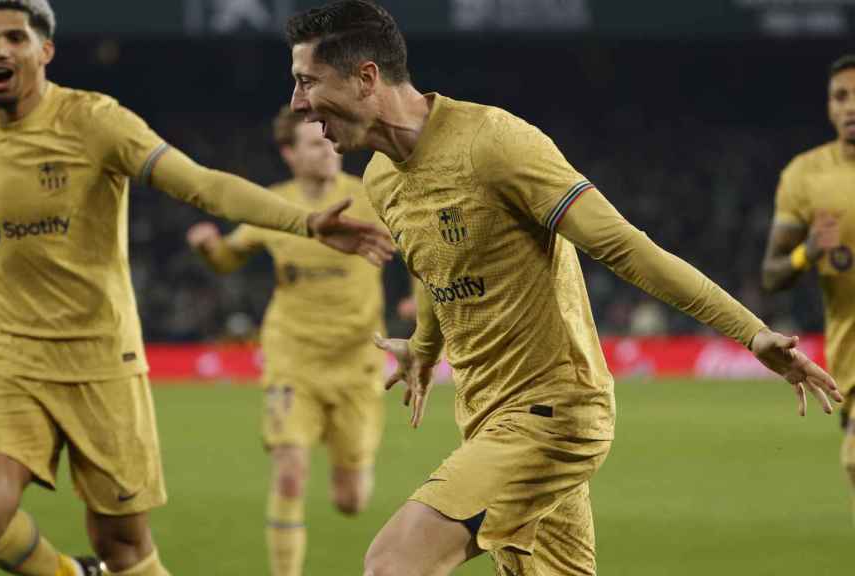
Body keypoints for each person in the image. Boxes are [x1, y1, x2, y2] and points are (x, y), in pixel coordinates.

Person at [284, 2, 843, 575]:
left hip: (552, 414)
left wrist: (751, 333)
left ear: (366, 77)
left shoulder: (493, 144)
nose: (298, 103)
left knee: (392, 565)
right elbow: (435, 266)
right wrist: (424, 347)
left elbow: (626, 247)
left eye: (307, 81)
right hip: (486, 415)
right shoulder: (380, 178)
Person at [0, 2, 392, 576]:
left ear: (44, 50)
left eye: (14, 37)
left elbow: (200, 185)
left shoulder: (97, 121)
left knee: (124, 549)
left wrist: (304, 220)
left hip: (103, 362)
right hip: (11, 358)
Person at [186, 105, 387, 576]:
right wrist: (208, 248)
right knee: (290, 470)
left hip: (358, 363)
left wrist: (418, 304)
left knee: (351, 500)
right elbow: (227, 261)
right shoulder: (271, 206)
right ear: (290, 154)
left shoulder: (371, 197)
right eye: (315, 143)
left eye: (331, 139)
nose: (329, 148)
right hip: (292, 359)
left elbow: (422, 247)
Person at [762, 54, 855, 525]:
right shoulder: (806, 177)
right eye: (842, 96)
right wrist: (808, 252)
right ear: (829, 106)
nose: (851, 107)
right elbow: (772, 275)